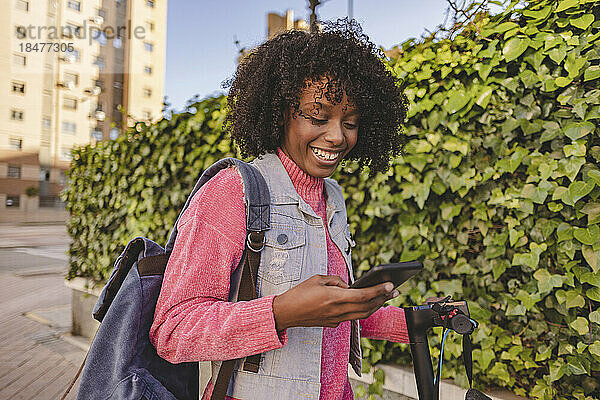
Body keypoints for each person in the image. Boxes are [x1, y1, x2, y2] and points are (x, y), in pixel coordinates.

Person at [150, 19, 410, 400]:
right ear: (279, 112)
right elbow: (174, 329)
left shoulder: (332, 197)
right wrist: (281, 312)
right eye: (318, 117)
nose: (338, 136)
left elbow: (328, 317)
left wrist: (410, 320)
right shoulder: (232, 192)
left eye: (350, 122)